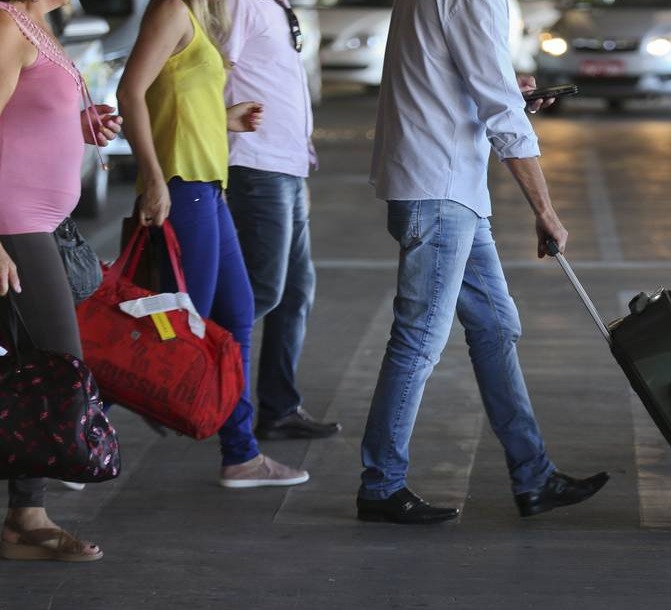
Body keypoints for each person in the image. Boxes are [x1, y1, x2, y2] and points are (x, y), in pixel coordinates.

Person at [356, 0, 609, 525]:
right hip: (440, 186)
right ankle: (380, 485)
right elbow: (499, 110)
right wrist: (545, 209)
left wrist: (505, 82)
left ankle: (534, 476)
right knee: (420, 339)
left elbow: (456, 73)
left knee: (496, 327)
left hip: (443, 184)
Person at [117, 0, 308, 488]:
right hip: (182, 187)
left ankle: (241, 454)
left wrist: (226, 118)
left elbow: (176, 102)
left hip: (209, 187)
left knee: (237, 314)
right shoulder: (172, 11)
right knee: (178, 328)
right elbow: (131, 92)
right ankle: (76, 417)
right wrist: (155, 180)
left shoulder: (200, 17)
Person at [0, 0, 122, 561]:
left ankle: (26, 516)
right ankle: (26, 516)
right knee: (57, 367)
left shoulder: (38, 24)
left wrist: (78, 124)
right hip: (13, 224)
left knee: (32, 369)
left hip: (37, 223)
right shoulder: (6, 22)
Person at [222, 0, 340, 440]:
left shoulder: (278, 6)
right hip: (255, 164)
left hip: (285, 167)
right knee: (262, 291)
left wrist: (301, 164)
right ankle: (192, 380)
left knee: (294, 291)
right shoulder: (242, 4)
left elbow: (283, 88)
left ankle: (278, 407)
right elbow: (214, 73)